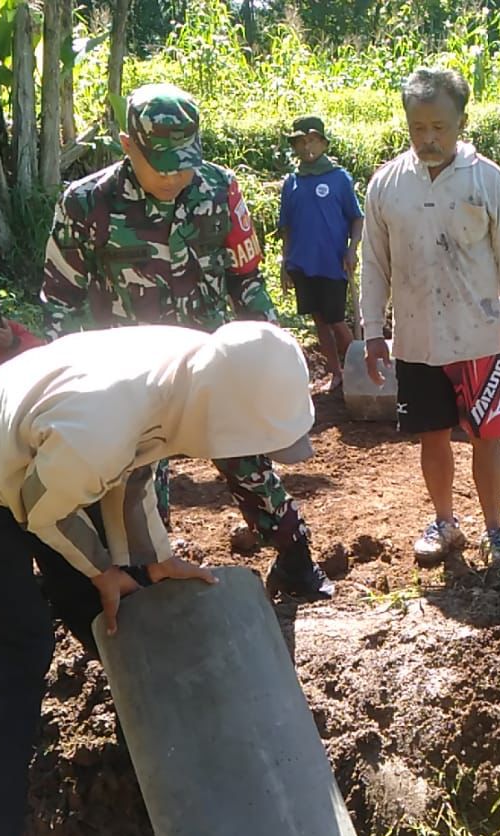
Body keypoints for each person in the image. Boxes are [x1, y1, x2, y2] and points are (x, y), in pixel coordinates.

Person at [0, 320, 316, 836]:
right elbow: (44, 515)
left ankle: (168, 762)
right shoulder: (103, 425)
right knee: (19, 643)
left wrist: (151, 567)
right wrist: (109, 572)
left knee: (121, 609)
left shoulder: (189, 375)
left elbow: (131, 482)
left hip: (50, 460)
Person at [41, 82, 333, 601]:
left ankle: (294, 559)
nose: (177, 176)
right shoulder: (87, 203)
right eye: (163, 165)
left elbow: (246, 277)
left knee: (249, 462)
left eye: (185, 163)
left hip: (211, 365)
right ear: (128, 146)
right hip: (131, 383)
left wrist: (271, 342)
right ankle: (148, 589)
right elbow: (59, 303)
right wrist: (72, 393)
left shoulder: (219, 189)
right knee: (138, 489)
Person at [360, 66, 500, 566]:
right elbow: (373, 264)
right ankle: (444, 522)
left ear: (461, 121)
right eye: (418, 128)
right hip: (416, 340)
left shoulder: (486, 181)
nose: (428, 138)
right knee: (432, 435)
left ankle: (495, 530)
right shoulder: (388, 186)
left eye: (439, 127)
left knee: (488, 435)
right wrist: (374, 332)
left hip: (478, 336)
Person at [278, 114, 364, 393]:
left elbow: (356, 218)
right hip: (303, 263)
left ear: (324, 144)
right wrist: (285, 264)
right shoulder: (291, 183)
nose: (307, 147)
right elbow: (287, 228)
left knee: (336, 319)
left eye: (312, 141)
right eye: (301, 142)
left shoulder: (339, 179)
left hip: (332, 262)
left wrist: (352, 250)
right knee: (319, 321)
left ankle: (361, 372)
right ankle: (336, 373)